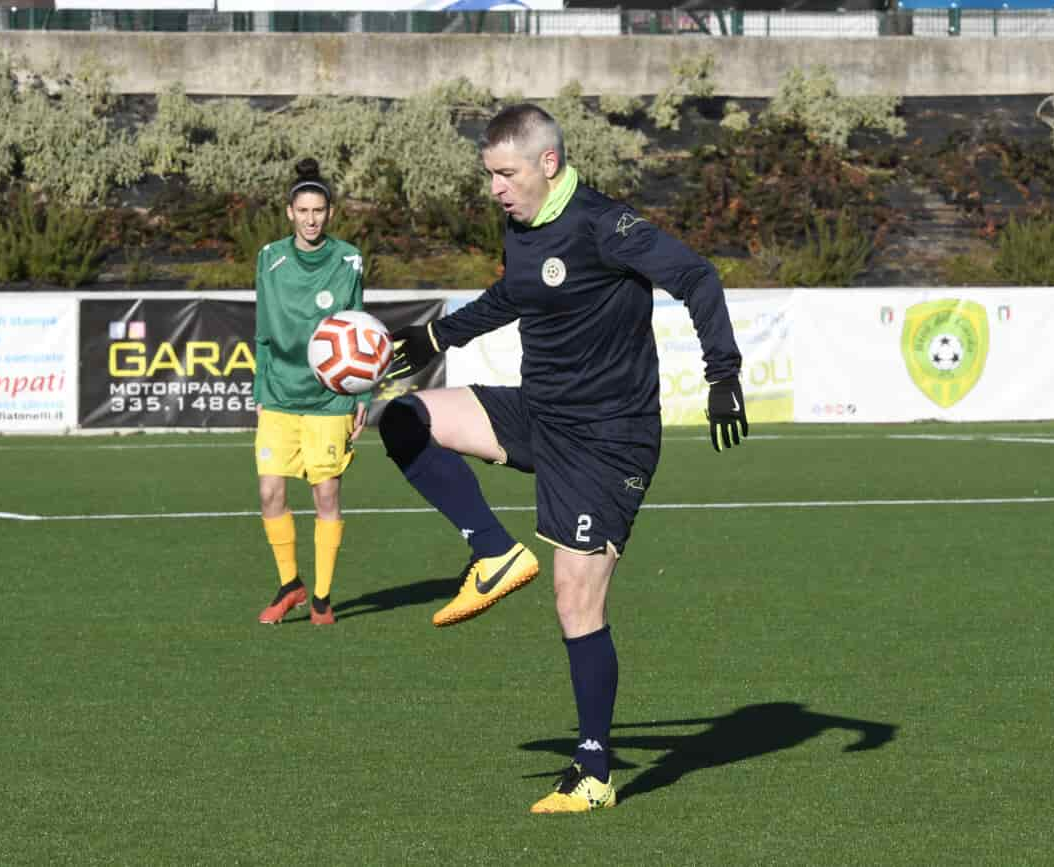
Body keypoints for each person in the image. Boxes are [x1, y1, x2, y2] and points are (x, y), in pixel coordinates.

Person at [379, 103, 748, 814]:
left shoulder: (606, 225)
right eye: (488, 174)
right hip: (539, 412)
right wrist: (439, 337)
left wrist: (723, 374)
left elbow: (697, 276)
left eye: (505, 173)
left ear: (548, 163)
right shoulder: (522, 226)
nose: (494, 188)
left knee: (576, 600)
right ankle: (492, 551)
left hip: (609, 440)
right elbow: (513, 294)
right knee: (405, 418)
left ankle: (594, 770)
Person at [253, 158, 369, 627]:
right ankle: (289, 585)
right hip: (280, 393)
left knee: (326, 496)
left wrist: (362, 393)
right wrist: (261, 384)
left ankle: (321, 596)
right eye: (303, 210)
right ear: (289, 213)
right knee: (269, 492)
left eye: (318, 210)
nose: (311, 218)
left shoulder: (349, 259)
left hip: (329, 398)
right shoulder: (269, 258)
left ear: (330, 213)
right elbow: (262, 327)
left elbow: (359, 327)